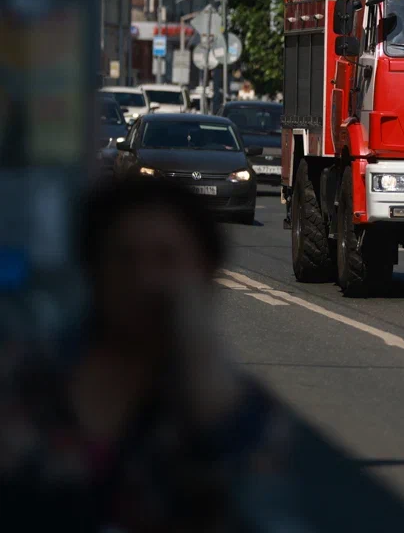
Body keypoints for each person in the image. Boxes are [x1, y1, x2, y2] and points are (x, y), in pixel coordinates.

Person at [0, 178, 302, 532]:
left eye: (166, 259)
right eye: (125, 257)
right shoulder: (27, 385)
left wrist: (201, 360)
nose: (145, 279)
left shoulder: (238, 409)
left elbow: (258, 511)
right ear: (93, 269)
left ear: (204, 273)